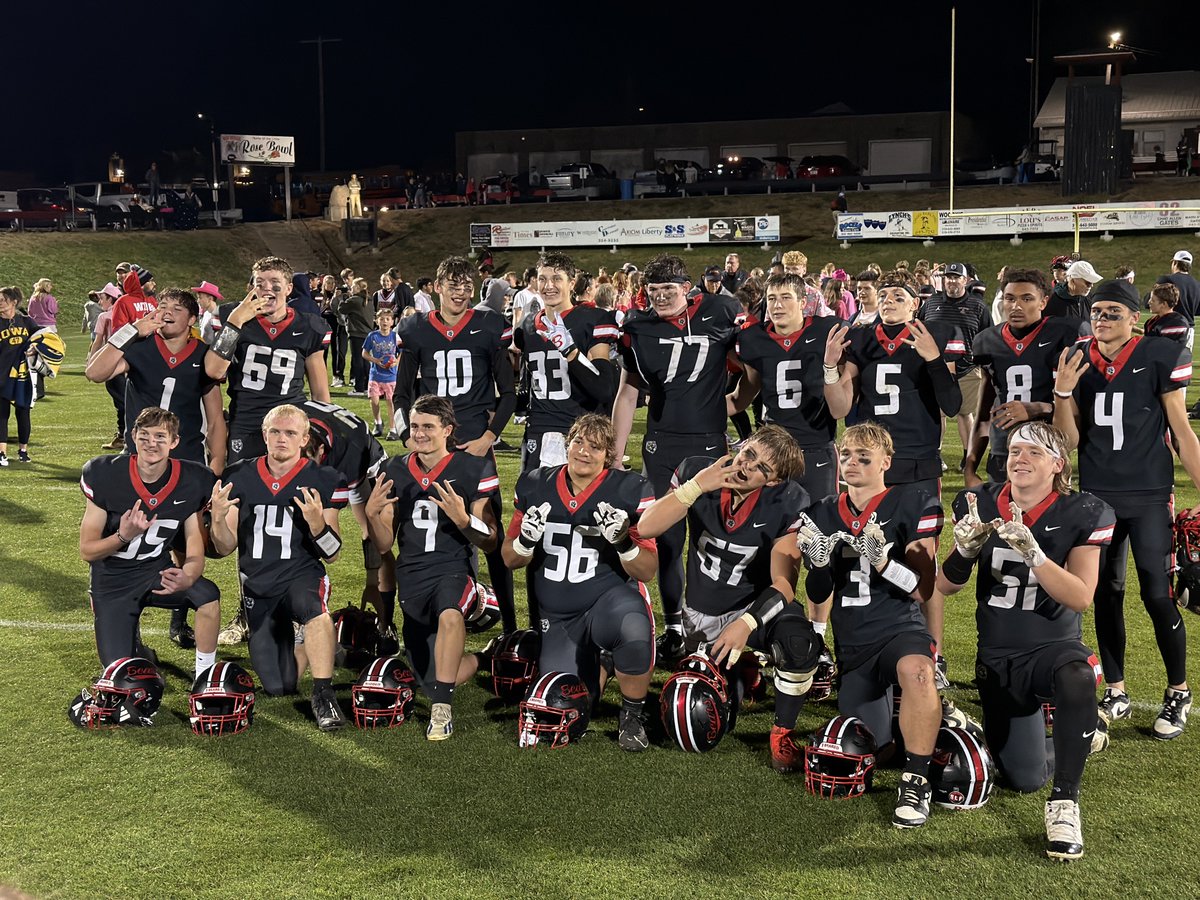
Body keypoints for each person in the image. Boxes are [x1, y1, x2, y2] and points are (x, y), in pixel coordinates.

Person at [937, 422, 1115, 860]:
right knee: (1022, 776)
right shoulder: (976, 501)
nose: (1019, 458)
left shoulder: (1085, 511)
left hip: (1052, 647)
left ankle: (1066, 802)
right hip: (998, 655)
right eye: (1015, 450)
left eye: (1033, 452)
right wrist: (963, 551)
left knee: (1078, 677)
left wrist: (1035, 554)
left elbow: (1081, 597)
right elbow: (944, 586)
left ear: (1057, 465)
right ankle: (1083, 732)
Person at [1053, 278, 1197, 742]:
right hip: (1098, 496)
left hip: (1150, 493)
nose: (1103, 319)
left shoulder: (1158, 355)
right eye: (1097, 312)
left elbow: (1180, 430)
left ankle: (1178, 690)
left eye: (1114, 312)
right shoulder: (1076, 357)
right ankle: (1116, 688)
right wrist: (1061, 393)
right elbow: (1070, 441)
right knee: (1105, 593)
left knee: (1158, 595)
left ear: (1135, 318)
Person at [637, 426, 823, 770]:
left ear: (772, 482)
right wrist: (698, 486)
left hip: (747, 610)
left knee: (799, 641)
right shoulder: (697, 470)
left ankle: (781, 734)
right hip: (701, 614)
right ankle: (744, 669)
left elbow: (784, 584)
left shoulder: (789, 500)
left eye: (761, 469)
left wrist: (746, 623)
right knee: (711, 713)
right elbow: (647, 527)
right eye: (748, 453)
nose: (746, 467)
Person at [790, 423, 944, 828]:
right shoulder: (821, 511)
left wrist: (883, 563)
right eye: (846, 455)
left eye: (864, 456)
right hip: (854, 642)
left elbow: (923, 591)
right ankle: (927, 728)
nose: (852, 462)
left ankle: (916, 781)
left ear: (886, 463)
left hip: (899, 628)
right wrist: (819, 564)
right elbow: (821, 590)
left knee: (918, 671)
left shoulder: (913, 501)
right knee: (869, 750)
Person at [612, 254, 743, 662]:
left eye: (669, 289)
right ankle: (672, 626)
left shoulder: (722, 309)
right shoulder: (636, 328)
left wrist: (737, 404)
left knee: (711, 539)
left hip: (707, 440)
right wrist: (616, 454)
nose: (662, 297)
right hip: (661, 443)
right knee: (667, 540)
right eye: (653, 291)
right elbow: (629, 392)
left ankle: (709, 623)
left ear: (688, 286)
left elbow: (749, 371)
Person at [503, 413, 658, 750]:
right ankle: (601, 663)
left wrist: (623, 542)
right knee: (568, 709)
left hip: (607, 602)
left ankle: (632, 715)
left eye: (596, 447)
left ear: (609, 456)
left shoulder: (629, 489)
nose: (584, 452)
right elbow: (509, 559)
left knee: (632, 625)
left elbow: (647, 570)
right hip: (557, 616)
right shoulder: (535, 483)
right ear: (567, 444)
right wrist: (525, 542)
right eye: (578, 442)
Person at [392, 256, 518, 634]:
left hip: (474, 445)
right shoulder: (415, 328)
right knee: (418, 532)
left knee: (488, 534)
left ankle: (510, 628)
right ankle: (432, 615)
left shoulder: (490, 325)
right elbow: (401, 393)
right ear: (438, 287)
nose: (461, 292)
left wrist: (488, 438)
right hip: (432, 447)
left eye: (467, 285)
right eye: (453, 284)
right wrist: (407, 436)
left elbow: (508, 393)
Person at [365, 395, 498, 741]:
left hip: (454, 571)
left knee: (449, 614)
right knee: (432, 677)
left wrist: (464, 519)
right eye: (415, 427)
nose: (419, 434)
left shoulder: (473, 467)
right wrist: (371, 514)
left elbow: (492, 540)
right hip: (412, 578)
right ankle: (487, 657)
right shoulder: (394, 469)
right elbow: (383, 546)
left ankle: (442, 712)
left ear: (448, 430)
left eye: (428, 427)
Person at [208, 404, 349, 730]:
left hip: (301, 575)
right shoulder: (239, 475)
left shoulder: (323, 478)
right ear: (264, 435)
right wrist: (217, 518)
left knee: (313, 609)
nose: (281, 438)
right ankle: (308, 641)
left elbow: (333, 554)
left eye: (290, 433)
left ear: (303, 439)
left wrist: (317, 525)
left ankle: (323, 692)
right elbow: (225, 545)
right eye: (275, 432)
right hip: (258, 584)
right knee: (278, 685)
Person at [79, 407, 221, 671]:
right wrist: (123, 535)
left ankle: (205, 674)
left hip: (153, 571)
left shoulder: (192, 479)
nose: (151, 444)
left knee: (207, 595)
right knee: (122, 675)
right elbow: (87, 551)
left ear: (174, 442)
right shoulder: (105, 474)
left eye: (160, 437)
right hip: (112, 583)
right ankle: (134, 648)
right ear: (132, 436)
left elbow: (194, 547)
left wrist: (189, 574)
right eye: (144, 435)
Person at [823, 270, 963, 497]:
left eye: (898, 296)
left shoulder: (936, 334)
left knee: (920, 532)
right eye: (883, 295)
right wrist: (829, 367)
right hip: (870, 456)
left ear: (914, 303)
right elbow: (839, 409)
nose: (888, 301)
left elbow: (951, 405)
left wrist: (934, 359)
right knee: (869, 532)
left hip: (917, 456)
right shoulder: (861, 338)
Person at [204, 256, 331, 465]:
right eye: (259, 284)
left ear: (289, 288)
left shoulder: (309, 326)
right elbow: (214, 371)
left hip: (290, 422)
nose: (267, 289)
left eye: (275, 284)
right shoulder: (232, 316)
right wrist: (236, 322)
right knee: (242, 488)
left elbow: (320, 393)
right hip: (246, 420)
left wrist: (321, 433)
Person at [964, 268, 1084, 486]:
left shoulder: (1064, 334)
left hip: (1047, 448)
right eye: (1010, 298)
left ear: (1043, 302)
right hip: (1003, 449)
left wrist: (1037, 408)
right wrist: (970, 467)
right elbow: (984, 412)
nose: (1016, 306)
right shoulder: (987, 341)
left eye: (1026, 298)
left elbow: (1079, 409)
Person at [85, 288, 226, 471]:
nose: (168, 312)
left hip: (186, 458)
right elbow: (94, 373)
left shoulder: (204, 355)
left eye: (177, 308)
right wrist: (132, 330)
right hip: (140, 456)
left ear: (192, 319)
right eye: (163, 306)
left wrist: (216, 469)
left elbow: (215, 420)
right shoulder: (140, 347)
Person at [729, 273, 841, 501]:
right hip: (771, 450)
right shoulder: (752, 338)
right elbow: (744, 393)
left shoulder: (828, 330)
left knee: (820, 525)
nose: (777, 305)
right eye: (771, 298)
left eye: (786, 297)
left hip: (815, 445)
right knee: (767, 524)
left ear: (803, 302)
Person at [513, 252, 619, 474]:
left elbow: (604, 389)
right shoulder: (528, 325)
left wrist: (571, 352)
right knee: (529, 503)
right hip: (538, 430)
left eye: (556, 279)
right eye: (543, 279)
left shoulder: (591, 319)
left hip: (579, 428)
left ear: (572, 283)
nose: (548, 285)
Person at [916, 262, 992, 470]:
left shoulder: (978, 306)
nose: (951, 281)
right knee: (937, 413)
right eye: (948, 277)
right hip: (936, 368)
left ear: (966, 280)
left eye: (956, 277)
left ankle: (968, 457)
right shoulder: (930, 303)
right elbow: (918, 329)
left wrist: (984, 366)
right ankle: (935, 454)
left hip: (966, 368)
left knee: (965, 413)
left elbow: (987, 336)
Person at [0, 285, 35, 465]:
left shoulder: (27, 322)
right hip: (2, 376)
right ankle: (2, 453)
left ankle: (23, 451)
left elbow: (47, 339)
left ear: (14, 302)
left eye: (3, 299)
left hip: (23, 377)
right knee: (1, 414)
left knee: (23, 413)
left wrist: (35, 348)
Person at [362, 306, 400, 441]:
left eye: (387, 319)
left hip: (390, 376)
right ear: (376, 321)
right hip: (375, 374)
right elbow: (364, 353)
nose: (384, 322)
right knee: (374, 400)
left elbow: (401, 353)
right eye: (382, 319)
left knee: (391, 402)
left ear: (392, 321)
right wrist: (375, 360)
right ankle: (378, 423)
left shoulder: (395, 336)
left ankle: (393, 429)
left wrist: (396, 362)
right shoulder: (372, 336)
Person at [341, 277, 374, 396]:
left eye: (354, 286)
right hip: (367, 333)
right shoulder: (368, 300)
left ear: (358, 288)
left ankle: (359, 388)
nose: (351, 288)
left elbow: (341, 309)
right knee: (365, 361)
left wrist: (343, 298)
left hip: (357, 333)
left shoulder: (354, 300)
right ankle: (367, 386)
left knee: (358, 360)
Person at [191, 281, 224, 345]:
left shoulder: (216, 316)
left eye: (200, 298)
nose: (198, 301)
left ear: (210, 299)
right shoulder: (206, 313)